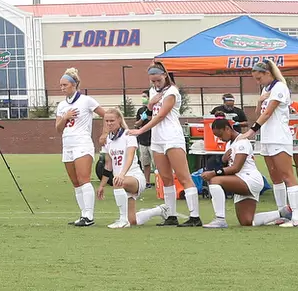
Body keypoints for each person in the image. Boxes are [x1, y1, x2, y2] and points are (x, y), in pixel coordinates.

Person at [129, 63, 198, 226]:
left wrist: (140, 130)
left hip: (172, 137)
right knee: (165, 177)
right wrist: (150, 105)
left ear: (165, 75)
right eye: (153, 81)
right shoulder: (153, 91)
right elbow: (151, 113)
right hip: (157, 139)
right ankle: (171, 215)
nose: (156, 84)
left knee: (183, 176)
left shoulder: (172, 91)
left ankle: (195, 216)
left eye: (158, 80)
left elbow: (160, 116)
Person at [200, 117, 279, 227]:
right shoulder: (229, 144)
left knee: (214, 180)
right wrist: (223, 160)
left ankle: (220, 219)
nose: (220, 139)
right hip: (240, 180)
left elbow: (236, 168)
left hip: (249, 179)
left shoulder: (242, 142)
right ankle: (282, 213)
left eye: (220, 135)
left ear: (227, 129)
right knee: (246, 221)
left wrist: (213, 173)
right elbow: (229, 167)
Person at [53, 68, 108, 226]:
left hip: (82, 143)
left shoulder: (86, 100)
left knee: (84, 179)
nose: (62, 88)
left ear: (74, 84)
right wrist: (65, 117)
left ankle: (89, 216)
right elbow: (58, 128)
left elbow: (106, 115)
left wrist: (104, 133)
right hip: (67, 144)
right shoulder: (62, 105)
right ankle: (83, 214)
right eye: (61, 85)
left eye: (65, 85)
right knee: (75, 182)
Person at [251, 60, 298, 227]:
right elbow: (259, 113)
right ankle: (283, 214)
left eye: (259, 78)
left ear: (267, 73)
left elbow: (268, 114)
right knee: (275, 177)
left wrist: (251, 131)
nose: (258, 82)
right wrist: (259, 101)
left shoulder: (279, 87)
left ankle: (297, 218)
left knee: (287, 176)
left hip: (279, 137)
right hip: (266, 138)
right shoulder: (266, 89)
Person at [100, 109, 158, 228]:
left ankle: (122, 220)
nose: (109, 123)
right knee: (133, 221)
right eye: (107, 121)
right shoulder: (107, 140)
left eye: (112, 120)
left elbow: (130, 157)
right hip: (122, 180)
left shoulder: (128, 135)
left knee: (117, 181)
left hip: (134, 177)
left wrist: (122, 174)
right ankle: (159, 210)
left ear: (119, 120)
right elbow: (108, 165)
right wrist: (102, 185)